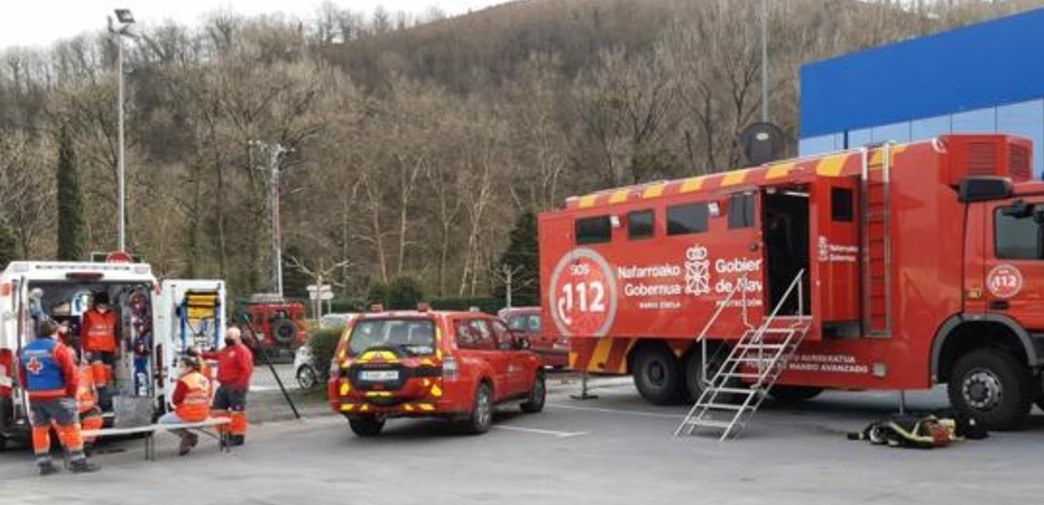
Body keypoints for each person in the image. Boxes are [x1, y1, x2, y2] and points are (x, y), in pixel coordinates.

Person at [18, 319, 99, 474]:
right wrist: (70, 393)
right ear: (54, 332)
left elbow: (22, 375)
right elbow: (71, 374)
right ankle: (78, 463)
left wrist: (30, 389)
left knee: (40, 429)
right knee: (71, 427)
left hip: (35, 396)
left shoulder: (25, 350)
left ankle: (44, 465)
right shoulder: (58, 348)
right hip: (58, 395)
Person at [195, 327, 253, 447]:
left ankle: (238, 436)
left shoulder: (241, 350)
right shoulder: (226, 350)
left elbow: (247, 370)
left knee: (237, 412)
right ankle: (227, 433)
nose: (227, 338)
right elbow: (215, 355)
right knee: (218, 410)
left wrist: (240, 385)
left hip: (236, 386)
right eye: (227, 336)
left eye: (230, 336)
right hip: (224, 385)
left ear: (237, 337)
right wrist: (200, 354)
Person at [157, 357, 213, 456]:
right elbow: (209, 396)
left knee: (162, 421)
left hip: (188, 414)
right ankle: (188, 437)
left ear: (189, 367)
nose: (179, 368)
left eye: (181, 366)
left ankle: (187, 435)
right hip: (203, 414)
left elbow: (175, 400)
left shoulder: (184, 380)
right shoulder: (204, 378)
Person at [81, 292, 118, 409]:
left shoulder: (113, 315)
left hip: (109, 348)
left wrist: (117, 346)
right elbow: (84, 334)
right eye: (100, 305)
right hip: (94, 348)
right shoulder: (89, 315)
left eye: (104, 305)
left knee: (108, 375)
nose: (102, 308)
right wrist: (86, 349)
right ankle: (102, 401)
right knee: (99, 375)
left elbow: (116, 332)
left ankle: (106, 398)